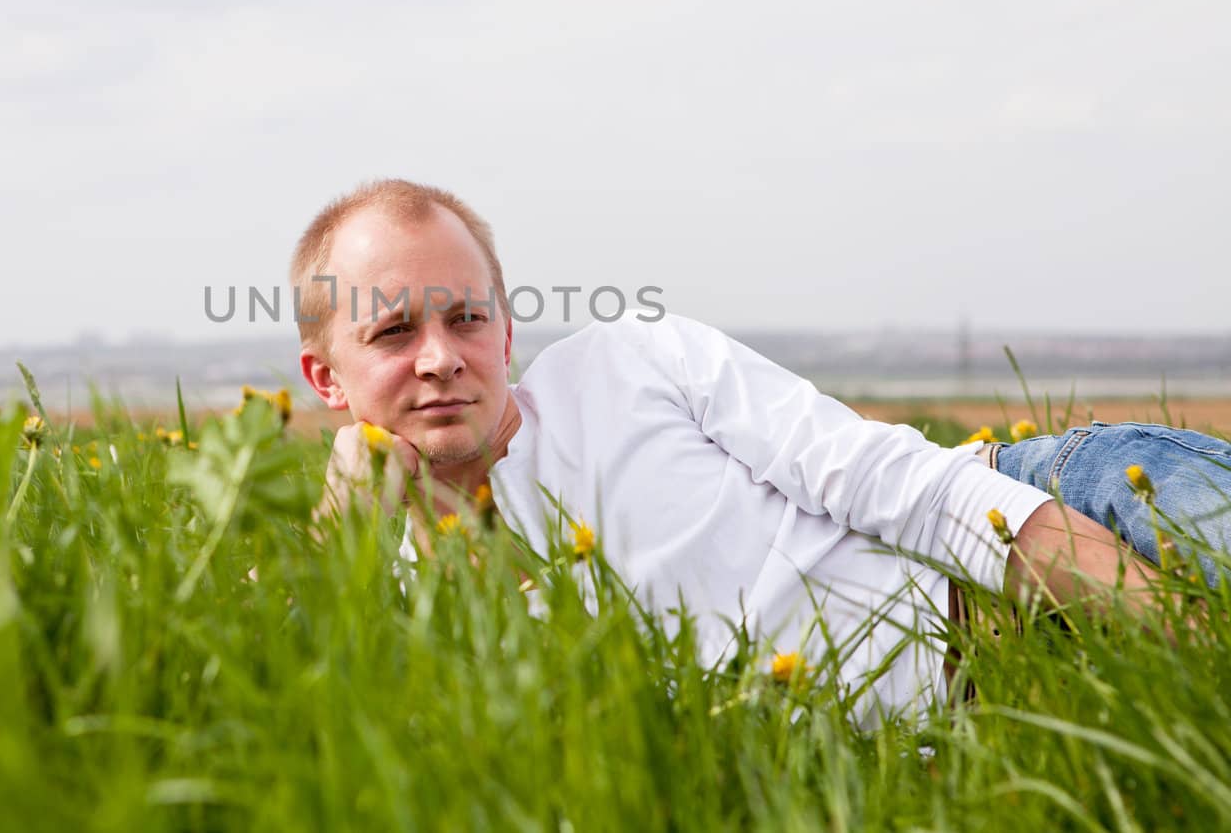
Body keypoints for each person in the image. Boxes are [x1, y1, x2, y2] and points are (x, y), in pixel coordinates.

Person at [292, 179, 1229, 723]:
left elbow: (902, 485)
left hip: (1053, 515)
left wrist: (1191, 647)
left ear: (505, 334)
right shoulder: (391, 604)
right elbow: (267, 694)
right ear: (325, 379)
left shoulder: (627, 363)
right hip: (996, 714)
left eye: (467, 317)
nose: (441, 357)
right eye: (392, 333)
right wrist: (355, 531)